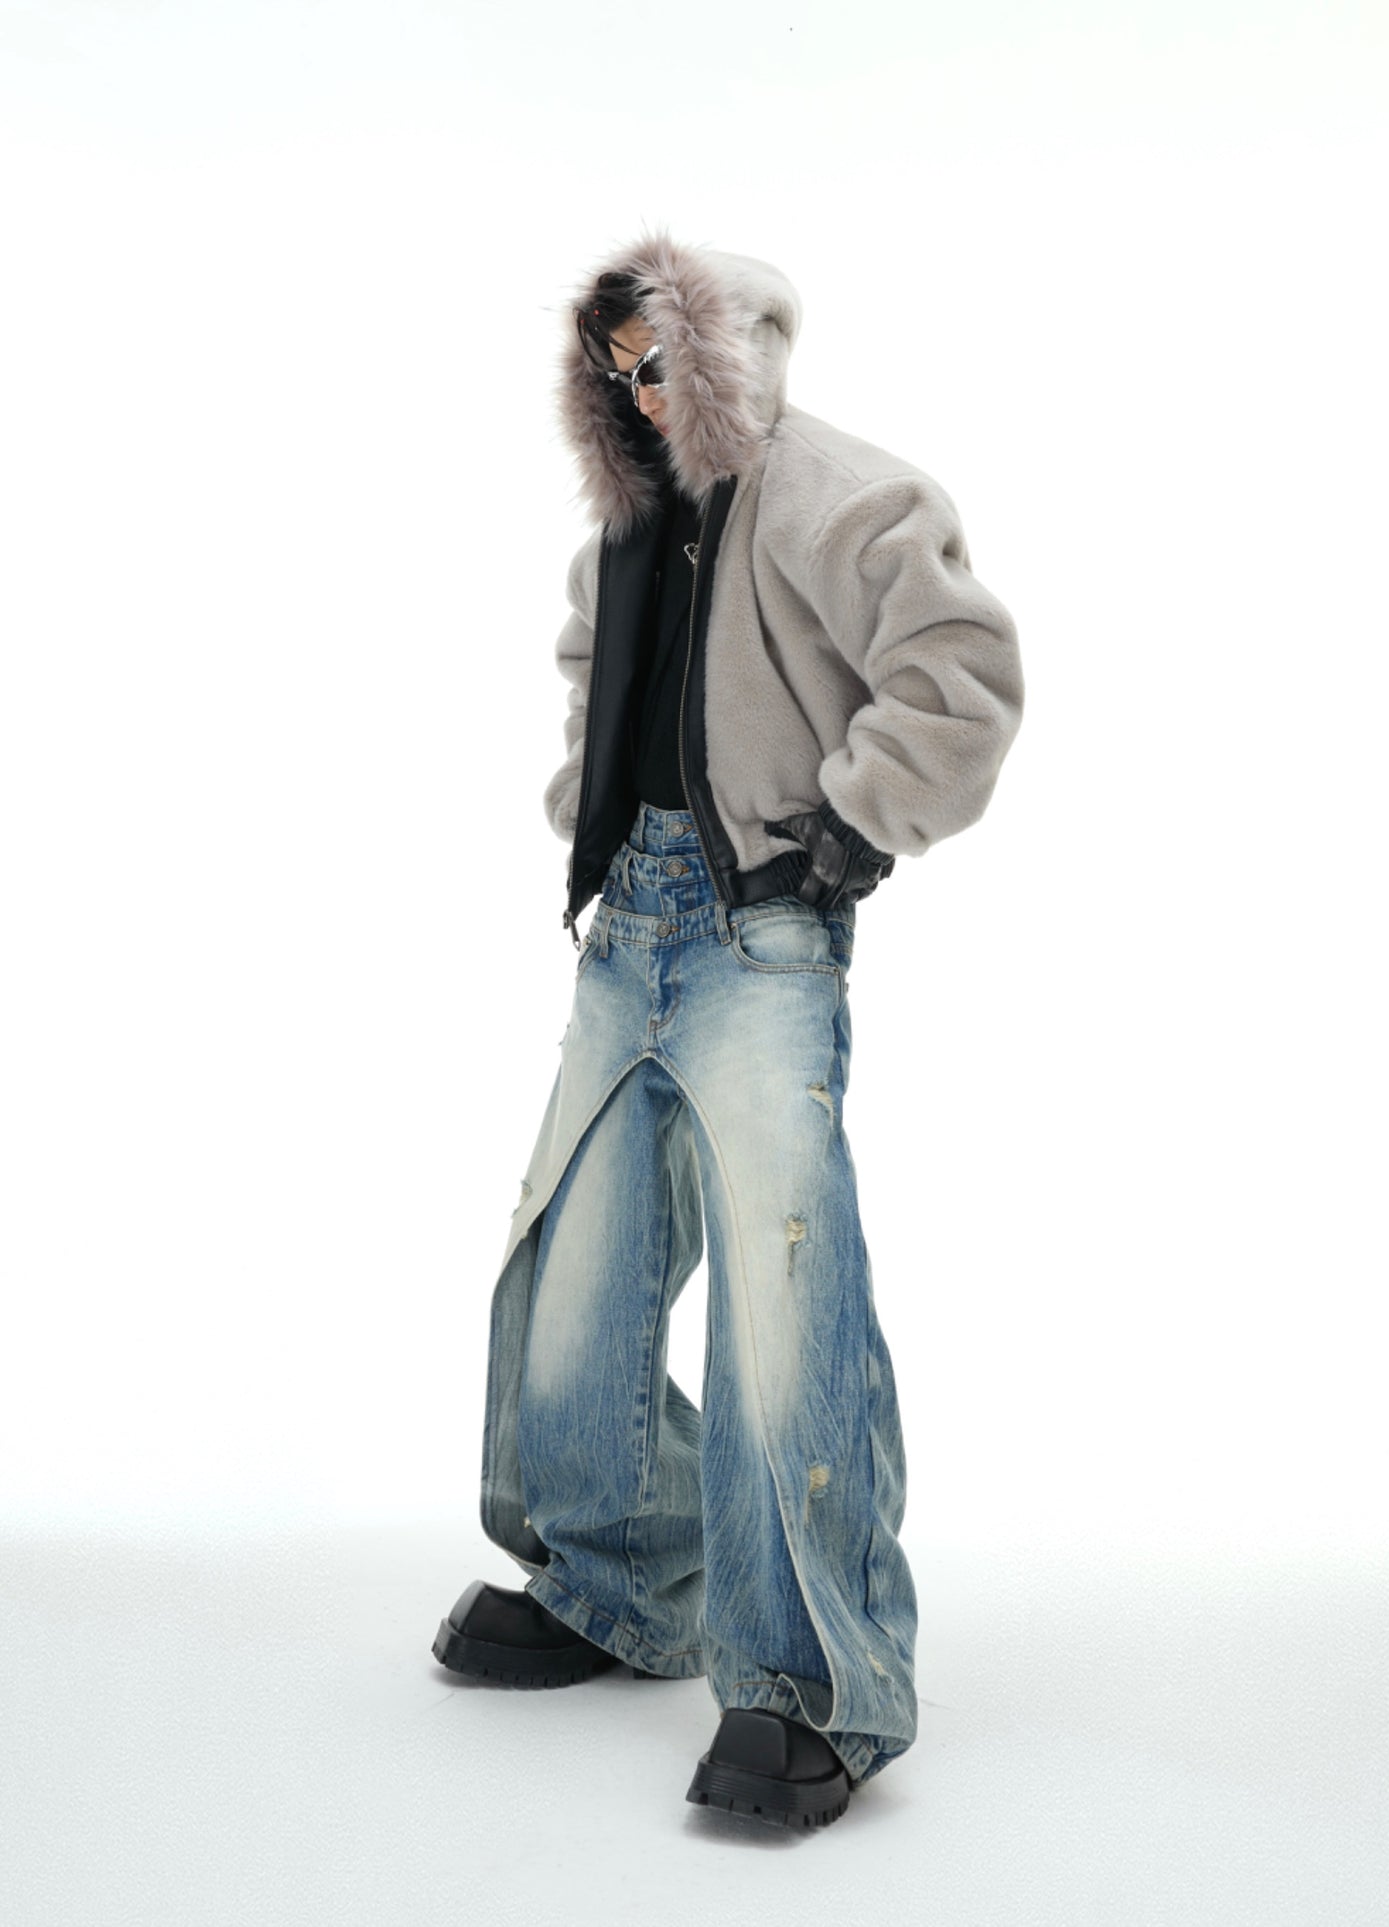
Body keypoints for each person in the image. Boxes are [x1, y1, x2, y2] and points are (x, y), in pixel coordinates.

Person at [431, 229, 1024, 1830]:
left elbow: (959, 670)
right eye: (614, 368)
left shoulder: (843, 495)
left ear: (730, 351)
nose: (640, 390)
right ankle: (616, 1579)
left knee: (782, 1298)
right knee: (574, 1260)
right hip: (622, 923)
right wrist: (585, 818)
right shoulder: (629, 528)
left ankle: (811, 1683)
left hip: (760, 928)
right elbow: (591, 674)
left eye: (662, 361)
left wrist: (852, 825)